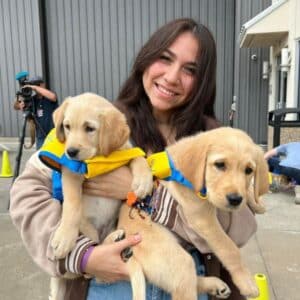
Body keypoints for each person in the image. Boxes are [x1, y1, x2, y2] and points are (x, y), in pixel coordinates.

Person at [10, 18, 257, 300]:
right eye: (165, 58)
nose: (172, 77)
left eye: (190, 70)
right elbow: (26, 192)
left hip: (186, 278)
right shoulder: (98, 117)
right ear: (146, 58)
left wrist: (150, 197)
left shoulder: (215, 138)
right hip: (108, 282)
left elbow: (241, 226)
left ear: (203, 81)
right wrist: (83, 256)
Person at [13, 76, 58, 149]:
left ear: (43, 84)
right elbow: (15, 107)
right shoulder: (32, 99)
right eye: (34, 85)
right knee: (40, 158)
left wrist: (34, 87)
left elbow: (53, 97)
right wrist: (20, 104)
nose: (36, 87)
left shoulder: (49, 95)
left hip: (54, 134)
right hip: (41, 136)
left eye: (38, 85)